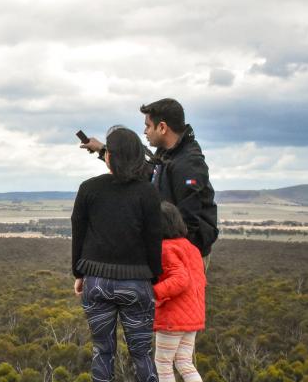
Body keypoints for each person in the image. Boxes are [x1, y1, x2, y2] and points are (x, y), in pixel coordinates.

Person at [72, 126, 163, 382]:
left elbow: (79, 235)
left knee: (103, 350)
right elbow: (155, 241)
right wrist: (153, 276)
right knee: (142, 353)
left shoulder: (89, 189)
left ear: (108, 155)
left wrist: (78, 273)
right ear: (137, 157)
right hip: (137, 281)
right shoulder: (148, 193)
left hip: (96, 279)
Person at [80, 98, 218, 268]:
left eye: (148, 126)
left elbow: (187, 221)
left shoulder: (188, 164)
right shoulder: (168, 153)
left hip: (185, 255)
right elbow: (144, 171)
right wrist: (104, 150)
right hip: (172, 250)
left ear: (162, 127)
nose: (145, 131)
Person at [150, 202, 218, 382]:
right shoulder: (190, 248)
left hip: (173, 317)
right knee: (184, 363)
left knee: (163, 363)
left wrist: (153, 294)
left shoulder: (165, 248)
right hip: (192, 316)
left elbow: (180, 280)